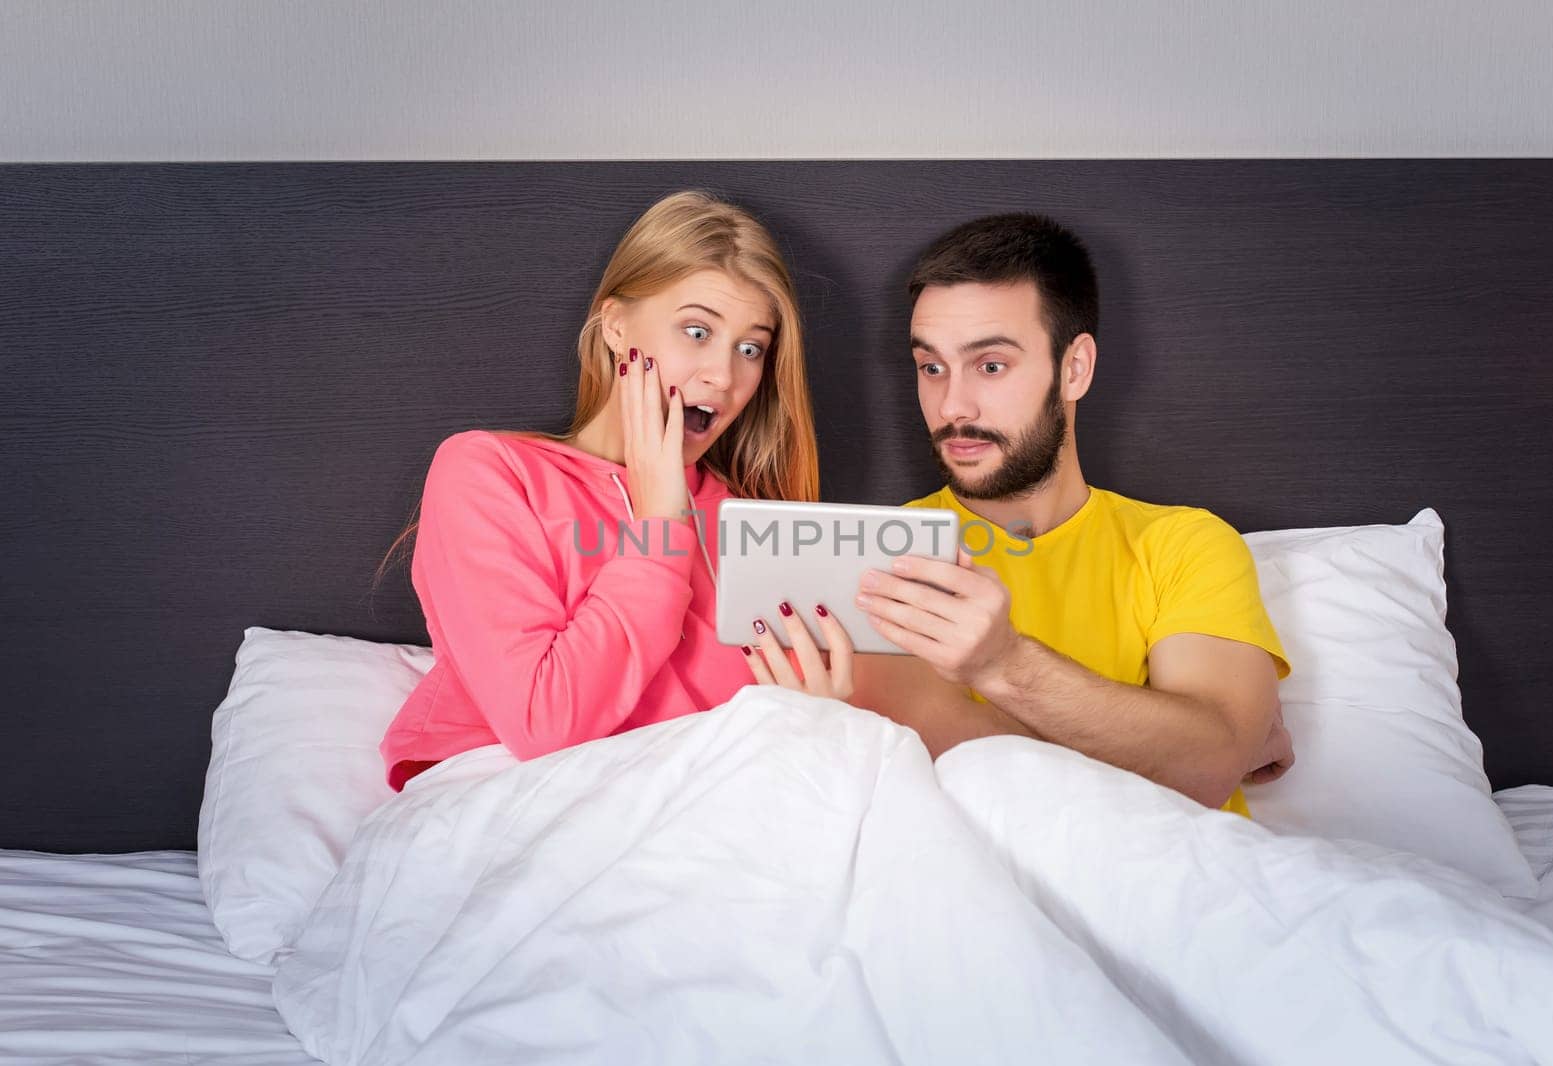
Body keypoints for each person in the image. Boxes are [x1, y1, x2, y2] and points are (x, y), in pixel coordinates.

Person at [375, 189, 846, 791]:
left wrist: (817, 716)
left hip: (709, 816)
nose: (724, 377)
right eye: (697, 331)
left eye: (750, 348)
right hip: (517, 804)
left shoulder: (754, 528)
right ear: (616, 326)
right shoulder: (489, 471)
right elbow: (544, 726)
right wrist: (660, 525)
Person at [850, 213, 1295, 815]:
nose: (952, 404)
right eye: (932, 367)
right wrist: (1172, 746)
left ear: (1075, 367)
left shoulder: (1184, 544)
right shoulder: (879, 561)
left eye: (990, 365)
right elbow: (1201, 759)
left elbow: (1208, 766)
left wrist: (1002, 665)